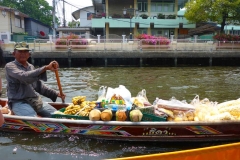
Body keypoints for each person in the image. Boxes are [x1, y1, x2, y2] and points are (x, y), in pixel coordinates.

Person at [5, 42, 66, 117]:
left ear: (29, 55)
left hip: (34, 100)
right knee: (33, 118)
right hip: (19, 102)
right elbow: (24, 76)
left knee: (58, 115)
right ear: (14, 53)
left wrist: (56, 94)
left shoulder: (31, 67)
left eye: (25, 52)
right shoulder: (10, 66)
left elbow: (39, 86)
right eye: (20, 51)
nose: (23, 54)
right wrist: (45, 68)